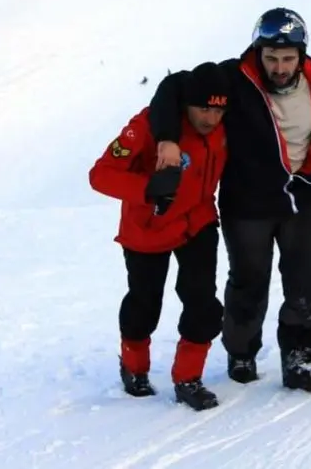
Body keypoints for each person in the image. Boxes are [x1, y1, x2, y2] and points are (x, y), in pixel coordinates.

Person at [150, 8, 311, 392]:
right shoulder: (234, 79)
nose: (279, 66)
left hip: (302, 197)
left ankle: (301, 356)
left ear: (302, 53)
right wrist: (168, 139)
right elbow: (173, 89)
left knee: (310, 280)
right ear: (258, 50)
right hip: (246, 202)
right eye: (270, 57)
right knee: (249, 283)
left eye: (288, 58)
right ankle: (241, 351)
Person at [88, 62, 230, 411]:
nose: (211, 118)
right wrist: (149, 189)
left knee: (203, 303)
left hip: (197, 222)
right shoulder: (147, 127)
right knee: (144, 303)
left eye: (218, 109)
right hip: (147, 228)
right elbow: (100, 175)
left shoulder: (223, 125)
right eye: (203, 109)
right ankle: (134, 367)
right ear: (186, 104)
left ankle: (188, 379)